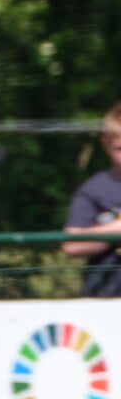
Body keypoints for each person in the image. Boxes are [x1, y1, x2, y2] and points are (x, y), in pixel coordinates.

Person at [61, 102, 121, 297]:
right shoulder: (94, 190)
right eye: (119, 148)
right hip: (106, 297)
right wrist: (113, 231)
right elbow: (71, 245)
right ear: (105, 144)